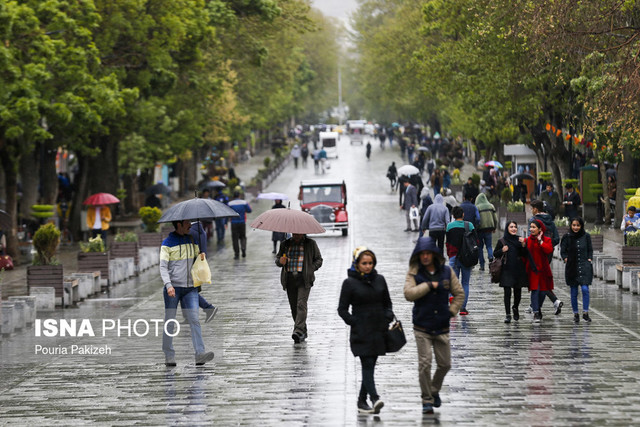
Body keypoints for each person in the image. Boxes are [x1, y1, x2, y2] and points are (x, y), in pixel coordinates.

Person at [404, 237, 465, 415]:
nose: (425, 257)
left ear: (434, 254)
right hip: (422, 325)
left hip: (442, 325)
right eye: (422, 254)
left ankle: (434, 390)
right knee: (425, 363)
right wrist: (428, 285)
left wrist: (452, 311)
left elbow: (459, 293)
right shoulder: (414, 272)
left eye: (428, 253)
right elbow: (409, 294)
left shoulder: (446, 272)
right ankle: (427, 400)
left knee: (445, 364)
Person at [338, 247, 392, 414]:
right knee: (367, 364)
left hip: (378, 330)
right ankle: (374, 398)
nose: (368, 266)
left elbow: (387, 303)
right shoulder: (349, 283)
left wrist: (387, 317)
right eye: (364, 263)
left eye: (370, 263)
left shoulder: (380, 280)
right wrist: (355, 322)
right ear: (357, 264)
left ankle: (362, 400)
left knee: (370, 366)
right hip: (361, 332)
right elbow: (342, 309)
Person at [160, 220, 215, 367]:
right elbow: (163, 268)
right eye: (187, 224)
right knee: (170, 322)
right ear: (179, 225)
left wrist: (201, 255)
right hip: (173, 289)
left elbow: (196, 257)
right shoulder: (167, 243)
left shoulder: (191, 239)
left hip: (190, 288)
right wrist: (168, 285)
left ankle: (200, 354)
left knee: (194, 320)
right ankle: (169, 355)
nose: (190, 226)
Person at [276, 233, 323, 343]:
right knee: (294, 307)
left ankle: (297, 330)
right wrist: (280, 261)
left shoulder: (310, 244)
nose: (296, 235)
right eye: (294, 233)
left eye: (298, 233)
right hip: (289, 279)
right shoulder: (285, 244)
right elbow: (278, 259)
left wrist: (311, 268)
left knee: (301, 304)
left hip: (304, 279)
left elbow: (319, 260)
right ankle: (303, 330)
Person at [528, 199, 563, 315]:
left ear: (536, 209)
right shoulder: (551, 221)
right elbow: (557, 239)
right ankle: (534, 305)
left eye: (532, 208)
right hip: (547, 254)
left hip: (535, 254)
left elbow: (531, 239)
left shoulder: (533, 220)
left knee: (537, 280)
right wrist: (547, 246)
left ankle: (546, 304)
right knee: (541, 278)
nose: (531, 210)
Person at [493, 221, 528, 323]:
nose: (513, 229)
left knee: (518, 293)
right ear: (507, 228)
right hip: (506, 269)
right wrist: (502, 250)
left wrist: (523, 245)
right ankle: (508, 314)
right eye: (511, 227)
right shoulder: (502, 241)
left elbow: (525, 255)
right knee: (507, 292)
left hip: (518, 270)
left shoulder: (520, 240)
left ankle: (515, 307)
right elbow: (495, 254)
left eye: (515, 227)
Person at [560, 217, 593, 323]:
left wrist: (589, 258)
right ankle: (575, 313)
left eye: (578, 225)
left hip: (584, 265)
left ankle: (585, 312)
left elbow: (590, 249)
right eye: (574, 225)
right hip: (572, 266)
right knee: (574, 291)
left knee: (585, 289)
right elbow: (563, 250)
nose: (575, 227)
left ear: (581, 226)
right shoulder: (567, 237)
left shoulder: (586, 236)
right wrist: (565, 258)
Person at [445, 206, 477, 315]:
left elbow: (448, 244)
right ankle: (463, 308)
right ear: (463, 215)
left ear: (453, 216)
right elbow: (476, 242)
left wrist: (450, 255)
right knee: (465, 283)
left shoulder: (449, 226)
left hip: (454, 258)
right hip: (466, 258)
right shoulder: (470, 226)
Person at [189, 221, 218, 323]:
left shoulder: (191, 231)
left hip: (191, 264)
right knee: (190, 291)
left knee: (188, 292)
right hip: (199, 264)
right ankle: (190, 316)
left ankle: (208, 308)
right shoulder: (200, 230)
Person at [526, 219, 554, 323]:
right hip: (533, 270)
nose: (531, 229)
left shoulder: (546, 240)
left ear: (540, 229)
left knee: (543, 292)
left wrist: (540, 241)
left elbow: (549, 250)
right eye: (531, 227)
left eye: (534, 227)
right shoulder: (528, 240)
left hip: (543, 270)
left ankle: (538, 307)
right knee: (535, 290)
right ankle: (536, 312)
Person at [474, 193, 497, 271]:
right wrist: (494, 227)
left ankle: (482, 265)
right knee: (489, 246)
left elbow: (476, 219)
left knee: (480, 247)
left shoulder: (477, 207)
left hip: (480, 230)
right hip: (489, 229)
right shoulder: (491, 206)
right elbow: (495, 218)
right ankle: (491, 257)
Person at [228, 191, 252, 259]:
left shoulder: (230, 203)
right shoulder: (244, 202)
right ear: (239, 196)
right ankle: (243, 248)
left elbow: (227, 212)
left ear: (233, 196)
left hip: (234, 223)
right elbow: (249, 210)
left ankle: (236, 254)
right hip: (242, 222)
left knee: (235, 239)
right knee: (243, 237)